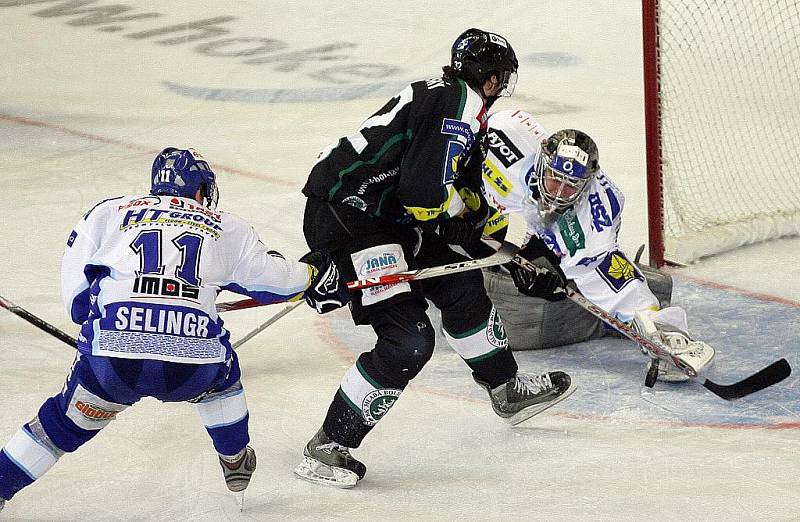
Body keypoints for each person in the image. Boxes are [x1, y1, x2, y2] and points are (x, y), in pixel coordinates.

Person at [294, 28, 575, 489]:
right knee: (410, 340)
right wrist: (455, 221)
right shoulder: (457, 103)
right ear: (489, 76)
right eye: (501, 77)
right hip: (350, 217)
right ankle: (329, 445)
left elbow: (465, 204)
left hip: (388, 218)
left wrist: (517, 258)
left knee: (463, 289)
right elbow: (425, 198)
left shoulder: (460, 108)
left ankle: (506, 390)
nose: (503, 86)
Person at [0, 148, 347, 511]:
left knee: (59, 426)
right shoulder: (227, 226)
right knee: (221, 377)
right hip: (192, 366)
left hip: (113, 363)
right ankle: (234, 458)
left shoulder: (107, 213)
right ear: (201, 190)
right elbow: (279, 281)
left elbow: (77, 301)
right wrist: (313, 273)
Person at [478, 109, 715, 381]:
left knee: (549, 296)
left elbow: (608, 274)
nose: (557, 193)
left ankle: (653, 328)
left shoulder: (590, 225)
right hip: (476, 212)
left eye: (569, 187)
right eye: (554, 179)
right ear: (543, 162)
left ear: (585, 185)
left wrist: (653, 328)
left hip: (552, 253)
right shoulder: (506, 135)